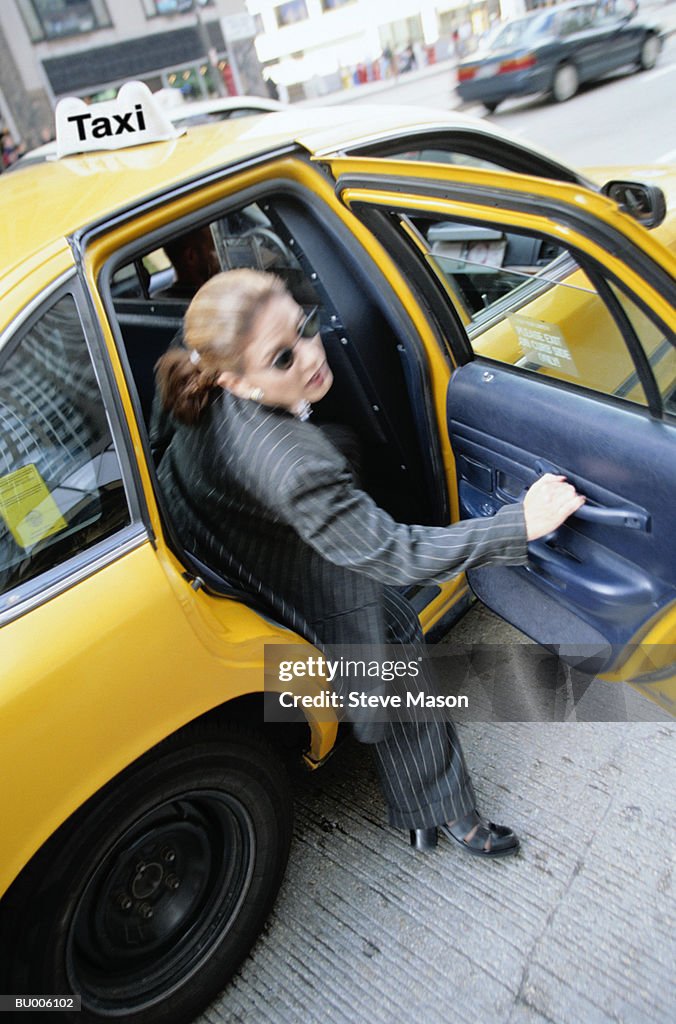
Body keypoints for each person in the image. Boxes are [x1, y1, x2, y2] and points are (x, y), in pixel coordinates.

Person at [154, 269, 585, 857]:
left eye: (305, 327)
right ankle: (447, 811)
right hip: (283, 568)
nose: (312, 355)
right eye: (283, 358)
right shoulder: (295, 465)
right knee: (386, 636)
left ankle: (426, 809)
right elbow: (396, 555)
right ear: (238, 380)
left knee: (393, 633)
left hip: (220, 539)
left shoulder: (192, 371)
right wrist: (520, 524)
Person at [157, 225, 220, 300]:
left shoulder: (161, 300)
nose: (218, 257)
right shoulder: (206, 302)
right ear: (191, 256)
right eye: (213, 249)